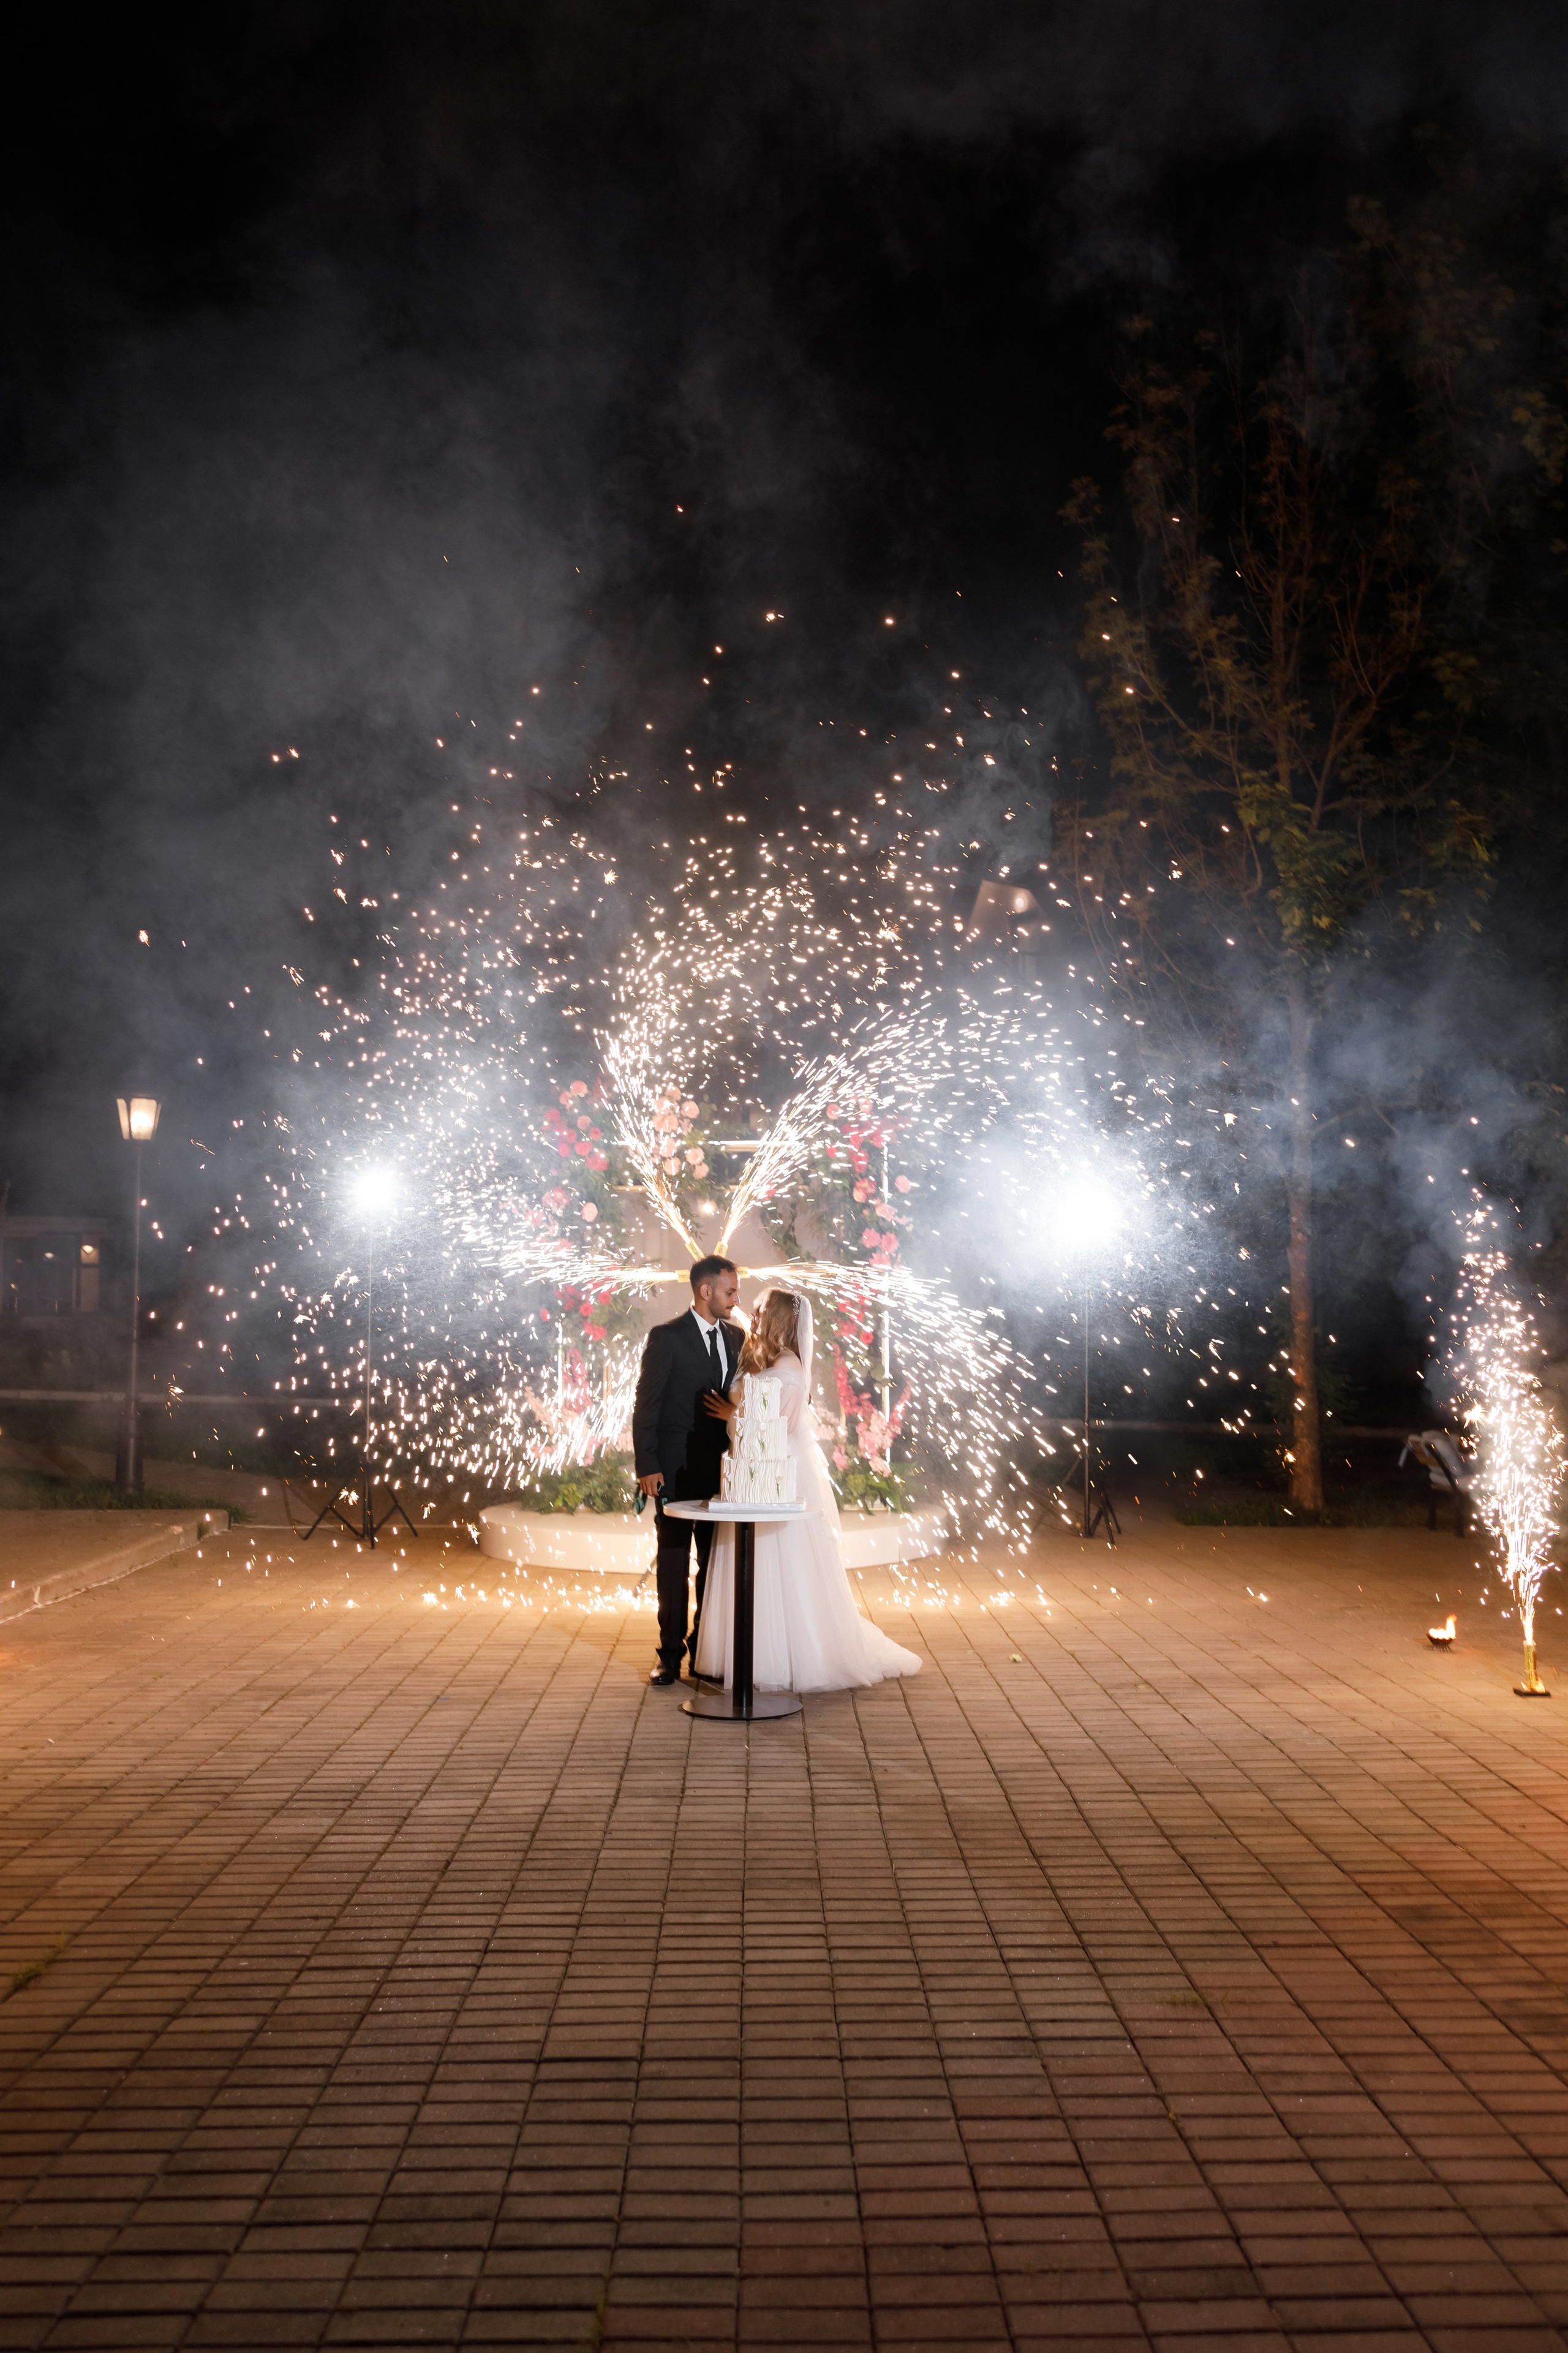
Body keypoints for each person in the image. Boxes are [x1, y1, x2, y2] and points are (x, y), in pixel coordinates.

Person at [693, 1286, 921, 1693]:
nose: (755, 1316)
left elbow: (776, 1431)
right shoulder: (761, 1357)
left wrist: (734, 1414)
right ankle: (751, 1652)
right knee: (752, 1560)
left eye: (763, 1311)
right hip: (748, 1476)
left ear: (781, 1319)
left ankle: (787, 1656)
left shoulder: (789, 1369)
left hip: (778, 1477)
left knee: (783, 1559)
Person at [631, 1254, 742, 1685]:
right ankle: (670, 1656)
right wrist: (648, 1464)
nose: (736, 1299)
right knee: (674, 1564)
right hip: (675, 1473)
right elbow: (647, 1405)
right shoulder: (667, 1337)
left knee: (713, 1567)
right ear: (706, 1290)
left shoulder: (737, 1337)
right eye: (730, 1291)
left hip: (721, 1473)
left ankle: (704, 1650)